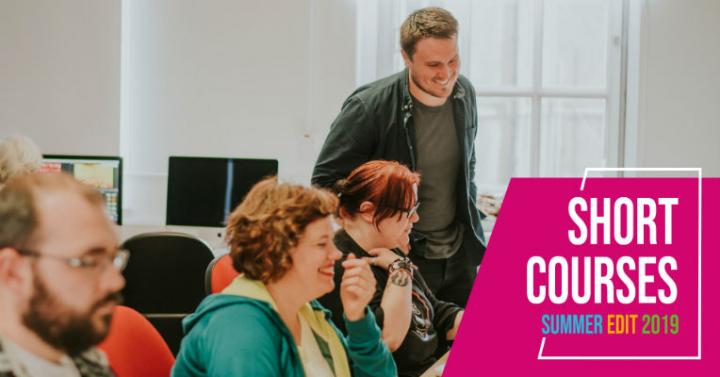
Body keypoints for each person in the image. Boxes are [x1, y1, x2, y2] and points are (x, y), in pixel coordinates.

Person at [312, 7, 485, 307]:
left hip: (459, 256)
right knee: (413, 350)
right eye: (433, 64)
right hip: (402, 258)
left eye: (453, 60)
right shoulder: (368, 108)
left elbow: (467, 162)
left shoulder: (464, 92)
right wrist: (376, 232)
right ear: (406, 58)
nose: (446, 75)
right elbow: (324, 183)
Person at [172, 177, 396, 377]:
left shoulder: (307, 312)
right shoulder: (239, 329)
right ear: (276, 250)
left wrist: (358, 318)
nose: (336, 254)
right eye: (321, 243)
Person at [319, 160, 463, 377]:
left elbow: (436, 311)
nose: (415, 218)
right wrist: (400, 270)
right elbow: (388, 338)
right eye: (408, 210)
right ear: (368, 211)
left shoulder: (390, 249)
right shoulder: (344, 265)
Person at [0, 173, 128, 376]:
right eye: (88, 262)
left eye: (113, 259)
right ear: (13, 272)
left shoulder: (82, 358)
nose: (116, 282)